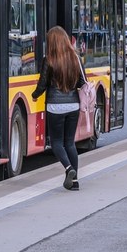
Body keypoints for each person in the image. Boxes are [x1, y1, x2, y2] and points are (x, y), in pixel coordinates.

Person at [31, 26, 86, 191]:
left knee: (56, 143)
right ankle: (74, 182)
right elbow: (82, 82)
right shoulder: (75, 58)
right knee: (70, 143)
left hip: (55, 105)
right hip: (73, 105)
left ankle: (69, 169)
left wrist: (34, 95)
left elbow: (42, 85)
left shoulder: (48, 60)